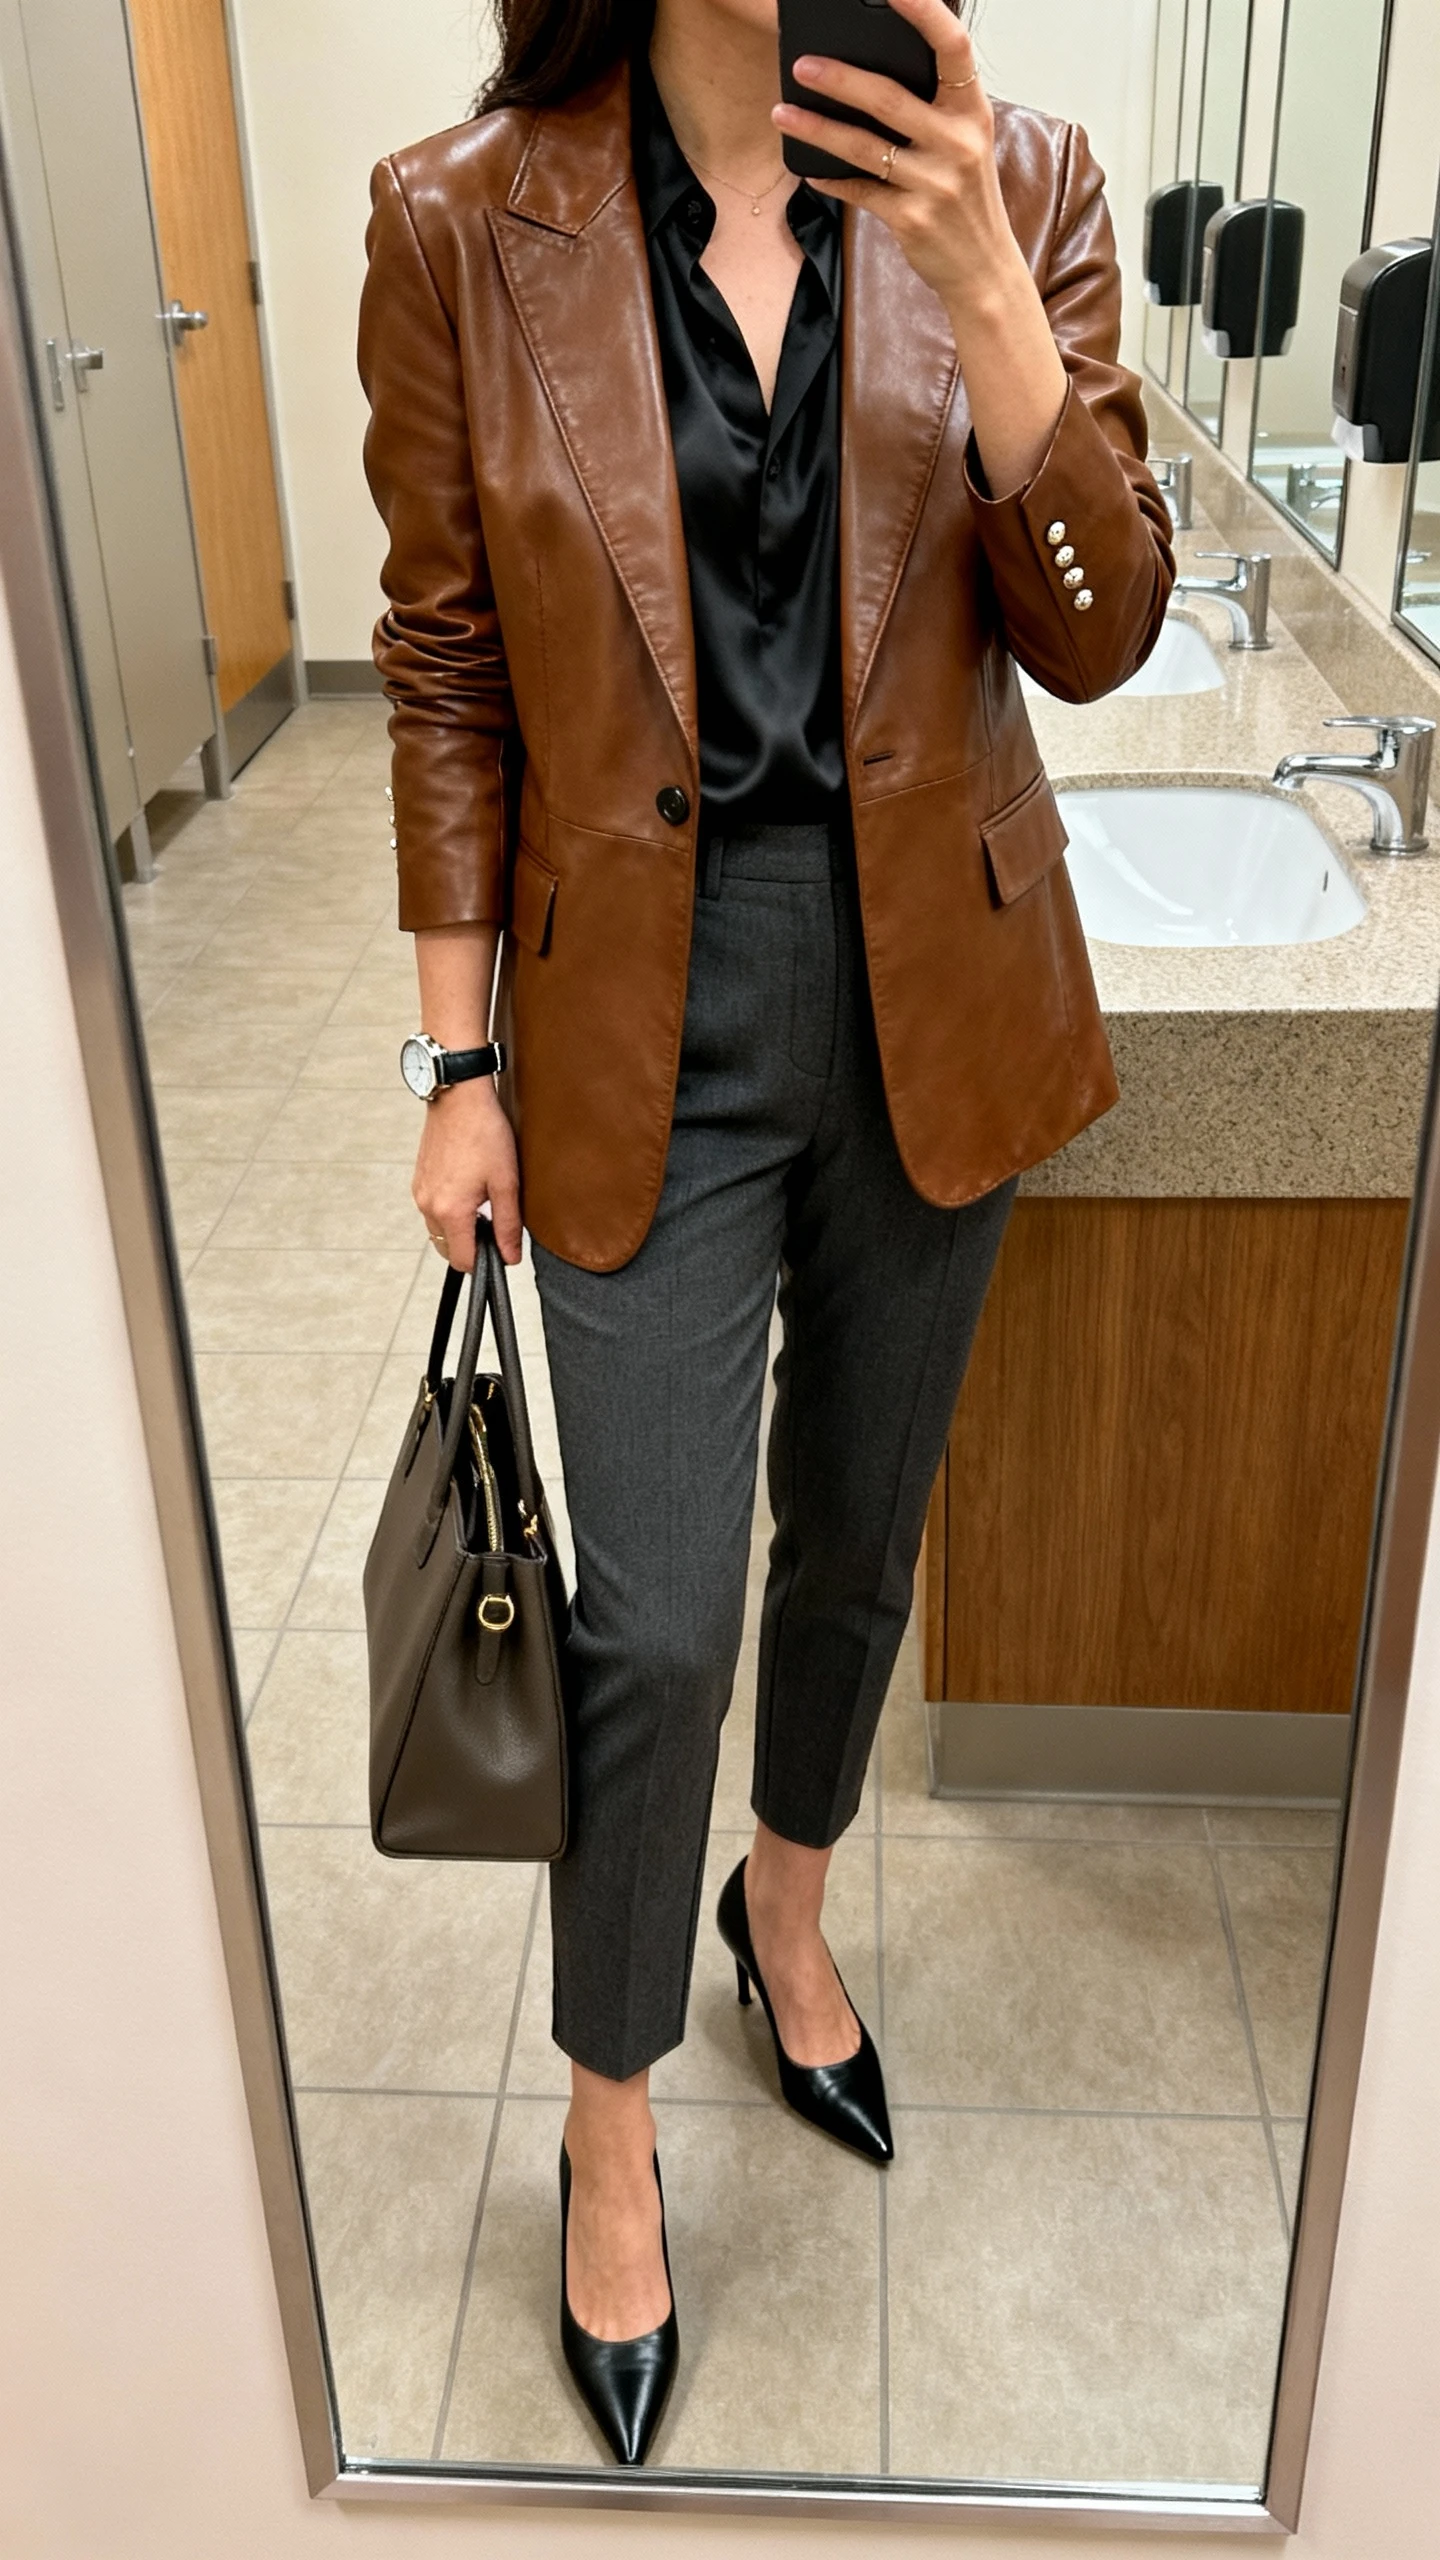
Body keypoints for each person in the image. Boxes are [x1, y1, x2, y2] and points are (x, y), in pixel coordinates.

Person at [359, 0, 1173, 2466]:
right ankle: (612, 2113)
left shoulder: (1010, 174)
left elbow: (1101, 623)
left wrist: (1003, 316)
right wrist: (456, 1055)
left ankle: (783, 1910)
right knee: (655, 1614)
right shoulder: (460, 216)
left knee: (858, 1537)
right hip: (638, 1017)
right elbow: (442, 659)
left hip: (945, 974)